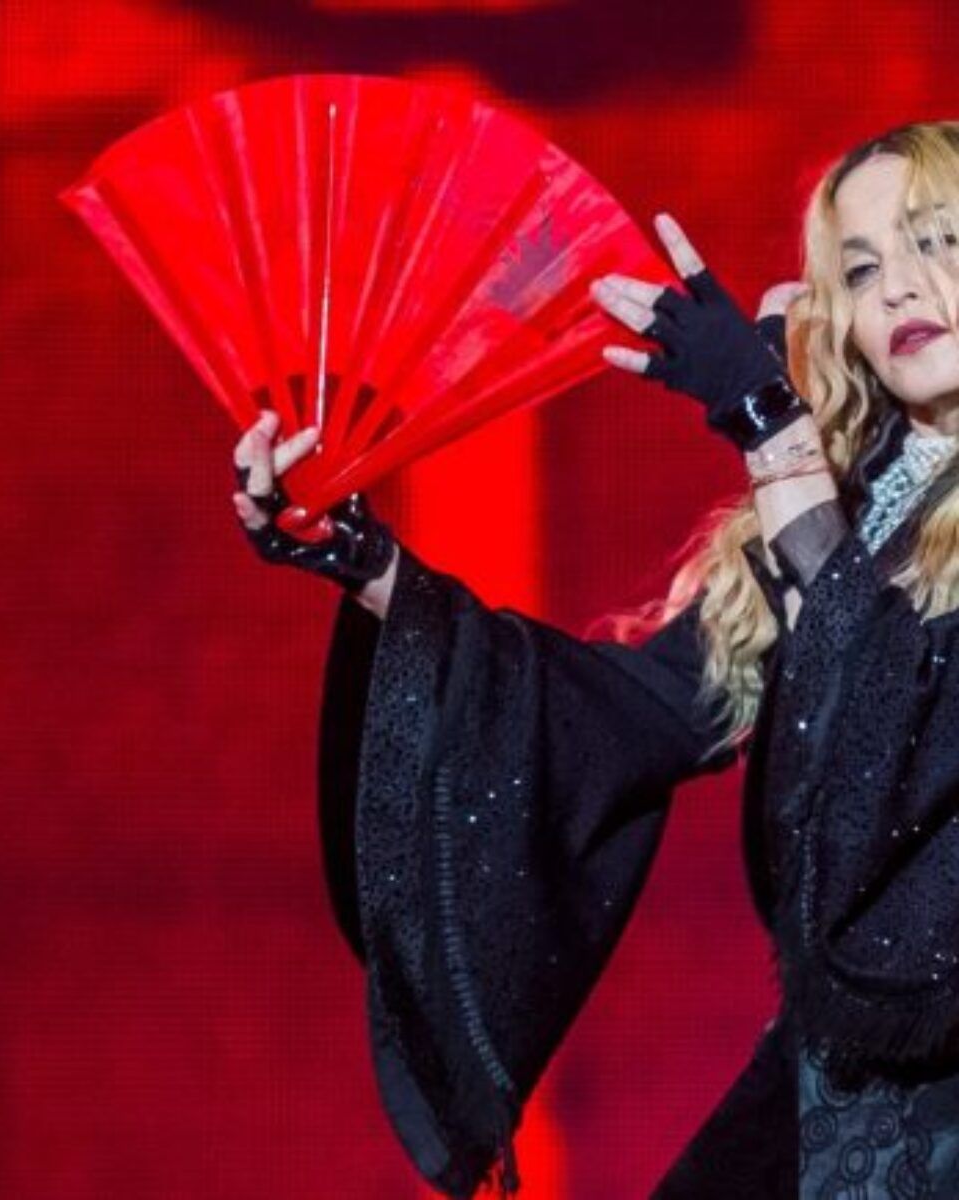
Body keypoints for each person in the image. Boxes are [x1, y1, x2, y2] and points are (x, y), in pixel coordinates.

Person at [232, 122, 959, 1198]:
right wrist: (369, 563)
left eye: (936, 240)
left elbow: (891, 719)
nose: (896, 286)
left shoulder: (810, 492)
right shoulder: (846, 502)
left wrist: (773, 430)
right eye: (859, 269)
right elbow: (621, 715)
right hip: (831, 1093)